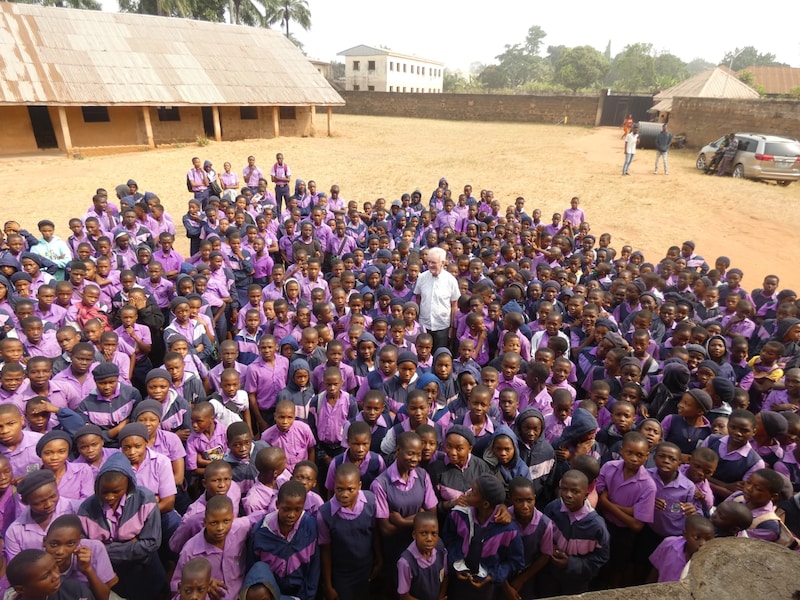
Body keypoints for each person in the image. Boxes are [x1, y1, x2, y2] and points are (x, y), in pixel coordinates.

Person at [414, 247, 460, 351]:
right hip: (424, 325)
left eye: (433, 262)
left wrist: (452, 328)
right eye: (429, 262)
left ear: (442, 263)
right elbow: (418, 298)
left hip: (442, 326)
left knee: (440, 354)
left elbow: (454, 305)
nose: (430, 265)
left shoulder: (451, 280)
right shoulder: (422, 277)